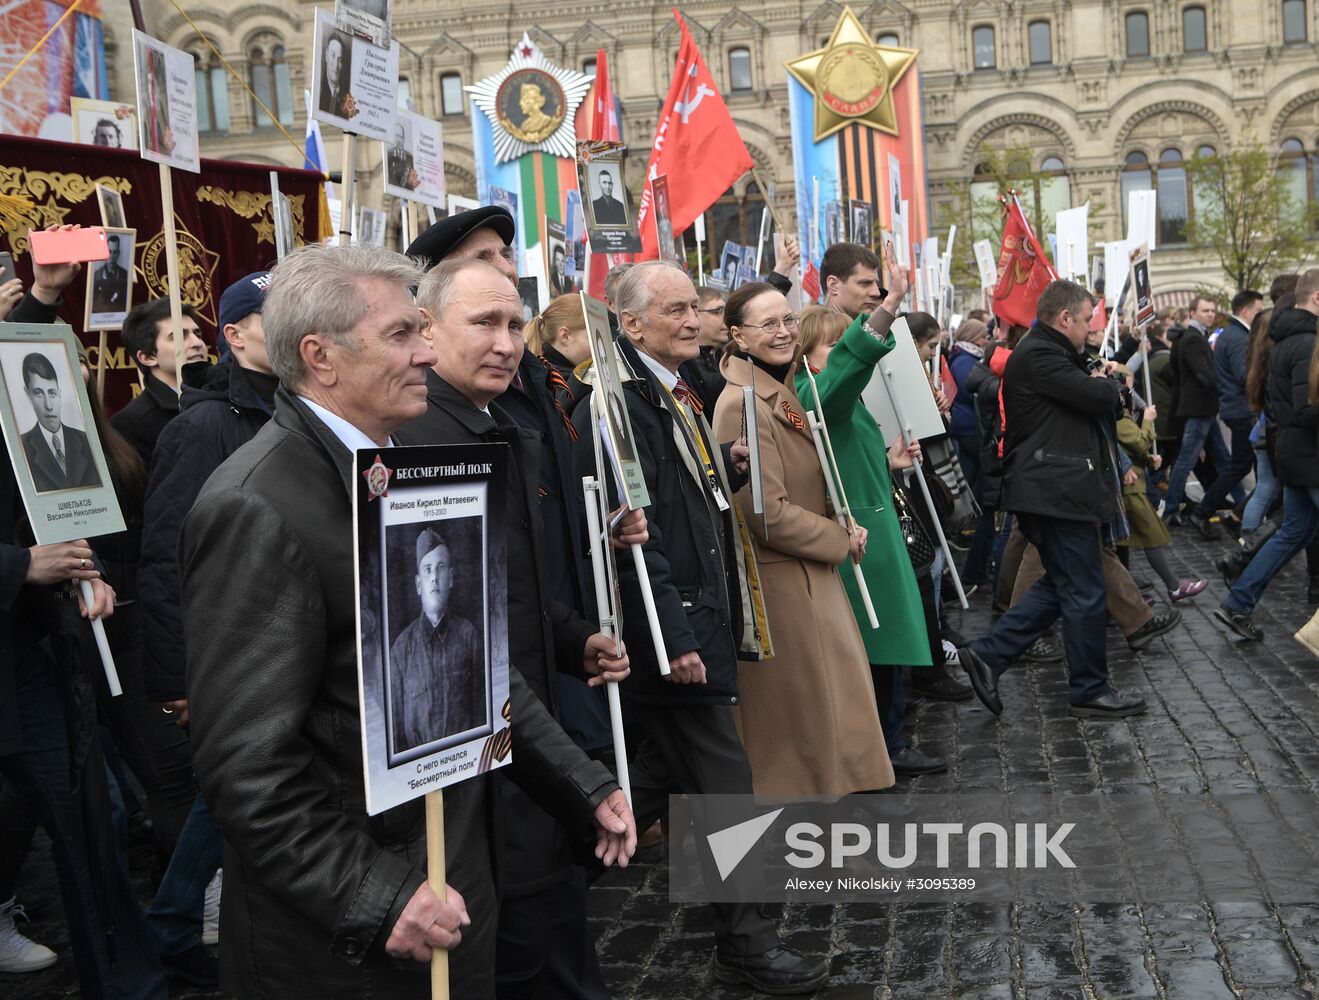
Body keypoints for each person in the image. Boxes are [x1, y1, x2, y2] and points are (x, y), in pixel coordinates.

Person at [180, 243, 635, 998]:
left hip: (450, 883)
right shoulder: (255, 504)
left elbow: (477, 673)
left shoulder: (400, 475)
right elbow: (246, 768)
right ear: (319, 356)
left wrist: (583, 787)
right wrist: (374, 896)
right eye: (401, 334)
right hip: (350, 940)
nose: (428, 352)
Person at [575, 260, 829, 994]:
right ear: (630, 325)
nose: (695, 320)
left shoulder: (667, 389)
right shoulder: (619, 400)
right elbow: (632, 528)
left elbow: (678, 496)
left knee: (648, 783)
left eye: (696, 307)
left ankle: (532, 890)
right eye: (677, 310)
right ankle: (747, 946)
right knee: (725, 786)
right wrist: (674, 635)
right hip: (673, 626)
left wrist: (724, 462)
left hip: (691, 616)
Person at [405, 211, 617, 998]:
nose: (505, 342)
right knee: (527, 949)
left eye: (516, 324)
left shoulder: (491, 422)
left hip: (524, 721)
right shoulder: (421, 441)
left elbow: (509, 588)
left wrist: (571, 641)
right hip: (482, 757)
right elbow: (452, 619)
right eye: (484, 324)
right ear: (425, 327)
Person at [712, 281, 896, 794]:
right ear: (738, 336)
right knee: (803, 734)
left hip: (807, 576)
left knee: (826, 724)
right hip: (784, 588)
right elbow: (763, 511)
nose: (783, 332)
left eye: (787, 321)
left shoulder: (778, 389)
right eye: (767, 324)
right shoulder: (742, 402)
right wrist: (837, 536)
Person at [957, 280, 1148, 719]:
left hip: (1056, 488)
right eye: (1084, 321)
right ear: (1065, 319)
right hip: (1055, 490)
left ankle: (989, 655)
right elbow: (1102, 397)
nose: (1087, 330)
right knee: (1082, 590)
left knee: (1064, 585)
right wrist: (1109, 386)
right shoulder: (1041, 354)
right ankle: (1089, 689)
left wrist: (1104, 382)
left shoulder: (1050, 352)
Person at [792, 280, 955, 775]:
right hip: (862, 543)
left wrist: (890, 460)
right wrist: (886, 309)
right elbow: (840, 381)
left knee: (885, 651)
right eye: (835, 346)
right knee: (877, 650)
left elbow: (846, 458)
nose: (846, 353)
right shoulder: (813, 391)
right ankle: (885, 746)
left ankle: (888, 740)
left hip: (876, 533)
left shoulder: (836, 396)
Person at [1215, 267, 1319, 641]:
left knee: (1290, 535)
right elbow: (1306, 408)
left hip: (1292, 454)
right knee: (1290, 534)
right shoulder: (1308, 342)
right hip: (1308, 457)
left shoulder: (1284, 338)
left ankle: (1237, 604)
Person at [1113, 366, 1207, 601]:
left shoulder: (1122, 413)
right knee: (1150, 532)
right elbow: (1137, 442)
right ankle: (1173, 586)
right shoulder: (1119, 417)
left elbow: (1133, 448)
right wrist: (1147, 422)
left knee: (1121, 541)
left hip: (1133, 480)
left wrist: (1147, 459)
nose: (1132, 391)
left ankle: (1128, 589)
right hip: (1130, 485)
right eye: (1129, 386)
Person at [390, 529, 483, 751]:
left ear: (450, 578)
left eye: (441, 568)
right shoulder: (401, 650)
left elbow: (482, 713)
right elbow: (396, 731)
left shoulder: (470, 636)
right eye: (427, 569)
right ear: (418, 584)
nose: (434, 577)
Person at [1187, 289, 1263, 538]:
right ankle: (1204, 512)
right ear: (1246, 311)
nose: (1260, 315)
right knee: (1240, 467)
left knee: (1248, 468)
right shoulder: (1238, 337)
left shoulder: (1233, 334)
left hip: (1237, 408)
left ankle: (1238, 513)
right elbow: (1244, 376)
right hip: (1241, 410)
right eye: (1258, 311)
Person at [112, 298, 210, 465]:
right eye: (180, 336)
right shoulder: (131, 424)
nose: (197, 343)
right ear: (148, 357)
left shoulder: (225, 396)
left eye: (197, 334)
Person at [1164, 295, 1233, 524]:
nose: (1211, 314)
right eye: (1206, 311)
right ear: (1192, 313)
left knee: (1224, 459)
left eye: (1212, 311)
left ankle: (1227, 501)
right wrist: (1224, 389)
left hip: (1204, 407)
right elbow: (1202, 373)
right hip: (1198, 407)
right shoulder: (1193, 338)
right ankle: (1172, 508)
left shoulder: (1196, 336)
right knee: (1187, 460)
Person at [18, 352, 101, 492]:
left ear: (60, 393)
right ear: (28, 393)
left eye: (52, 393)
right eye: (38, 393)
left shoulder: (87, 440)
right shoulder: (20, 448)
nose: (49, 405)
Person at [91, 233, 129, 314]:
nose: (111, 256)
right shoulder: (96, 275)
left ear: (118, 253)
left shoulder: (125, 275)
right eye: (109, 251)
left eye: (115, 252)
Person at [318, 31, 350, 117]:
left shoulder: (349, 97)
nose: (335, 65)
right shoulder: (318, 95)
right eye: (333, 55)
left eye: (340, 60)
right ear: (326, 55)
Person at [386, 122, 416, 189]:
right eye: (397, 136)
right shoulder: (388, 155)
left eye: (401, 137)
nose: (399, 140)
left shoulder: (410, 157)